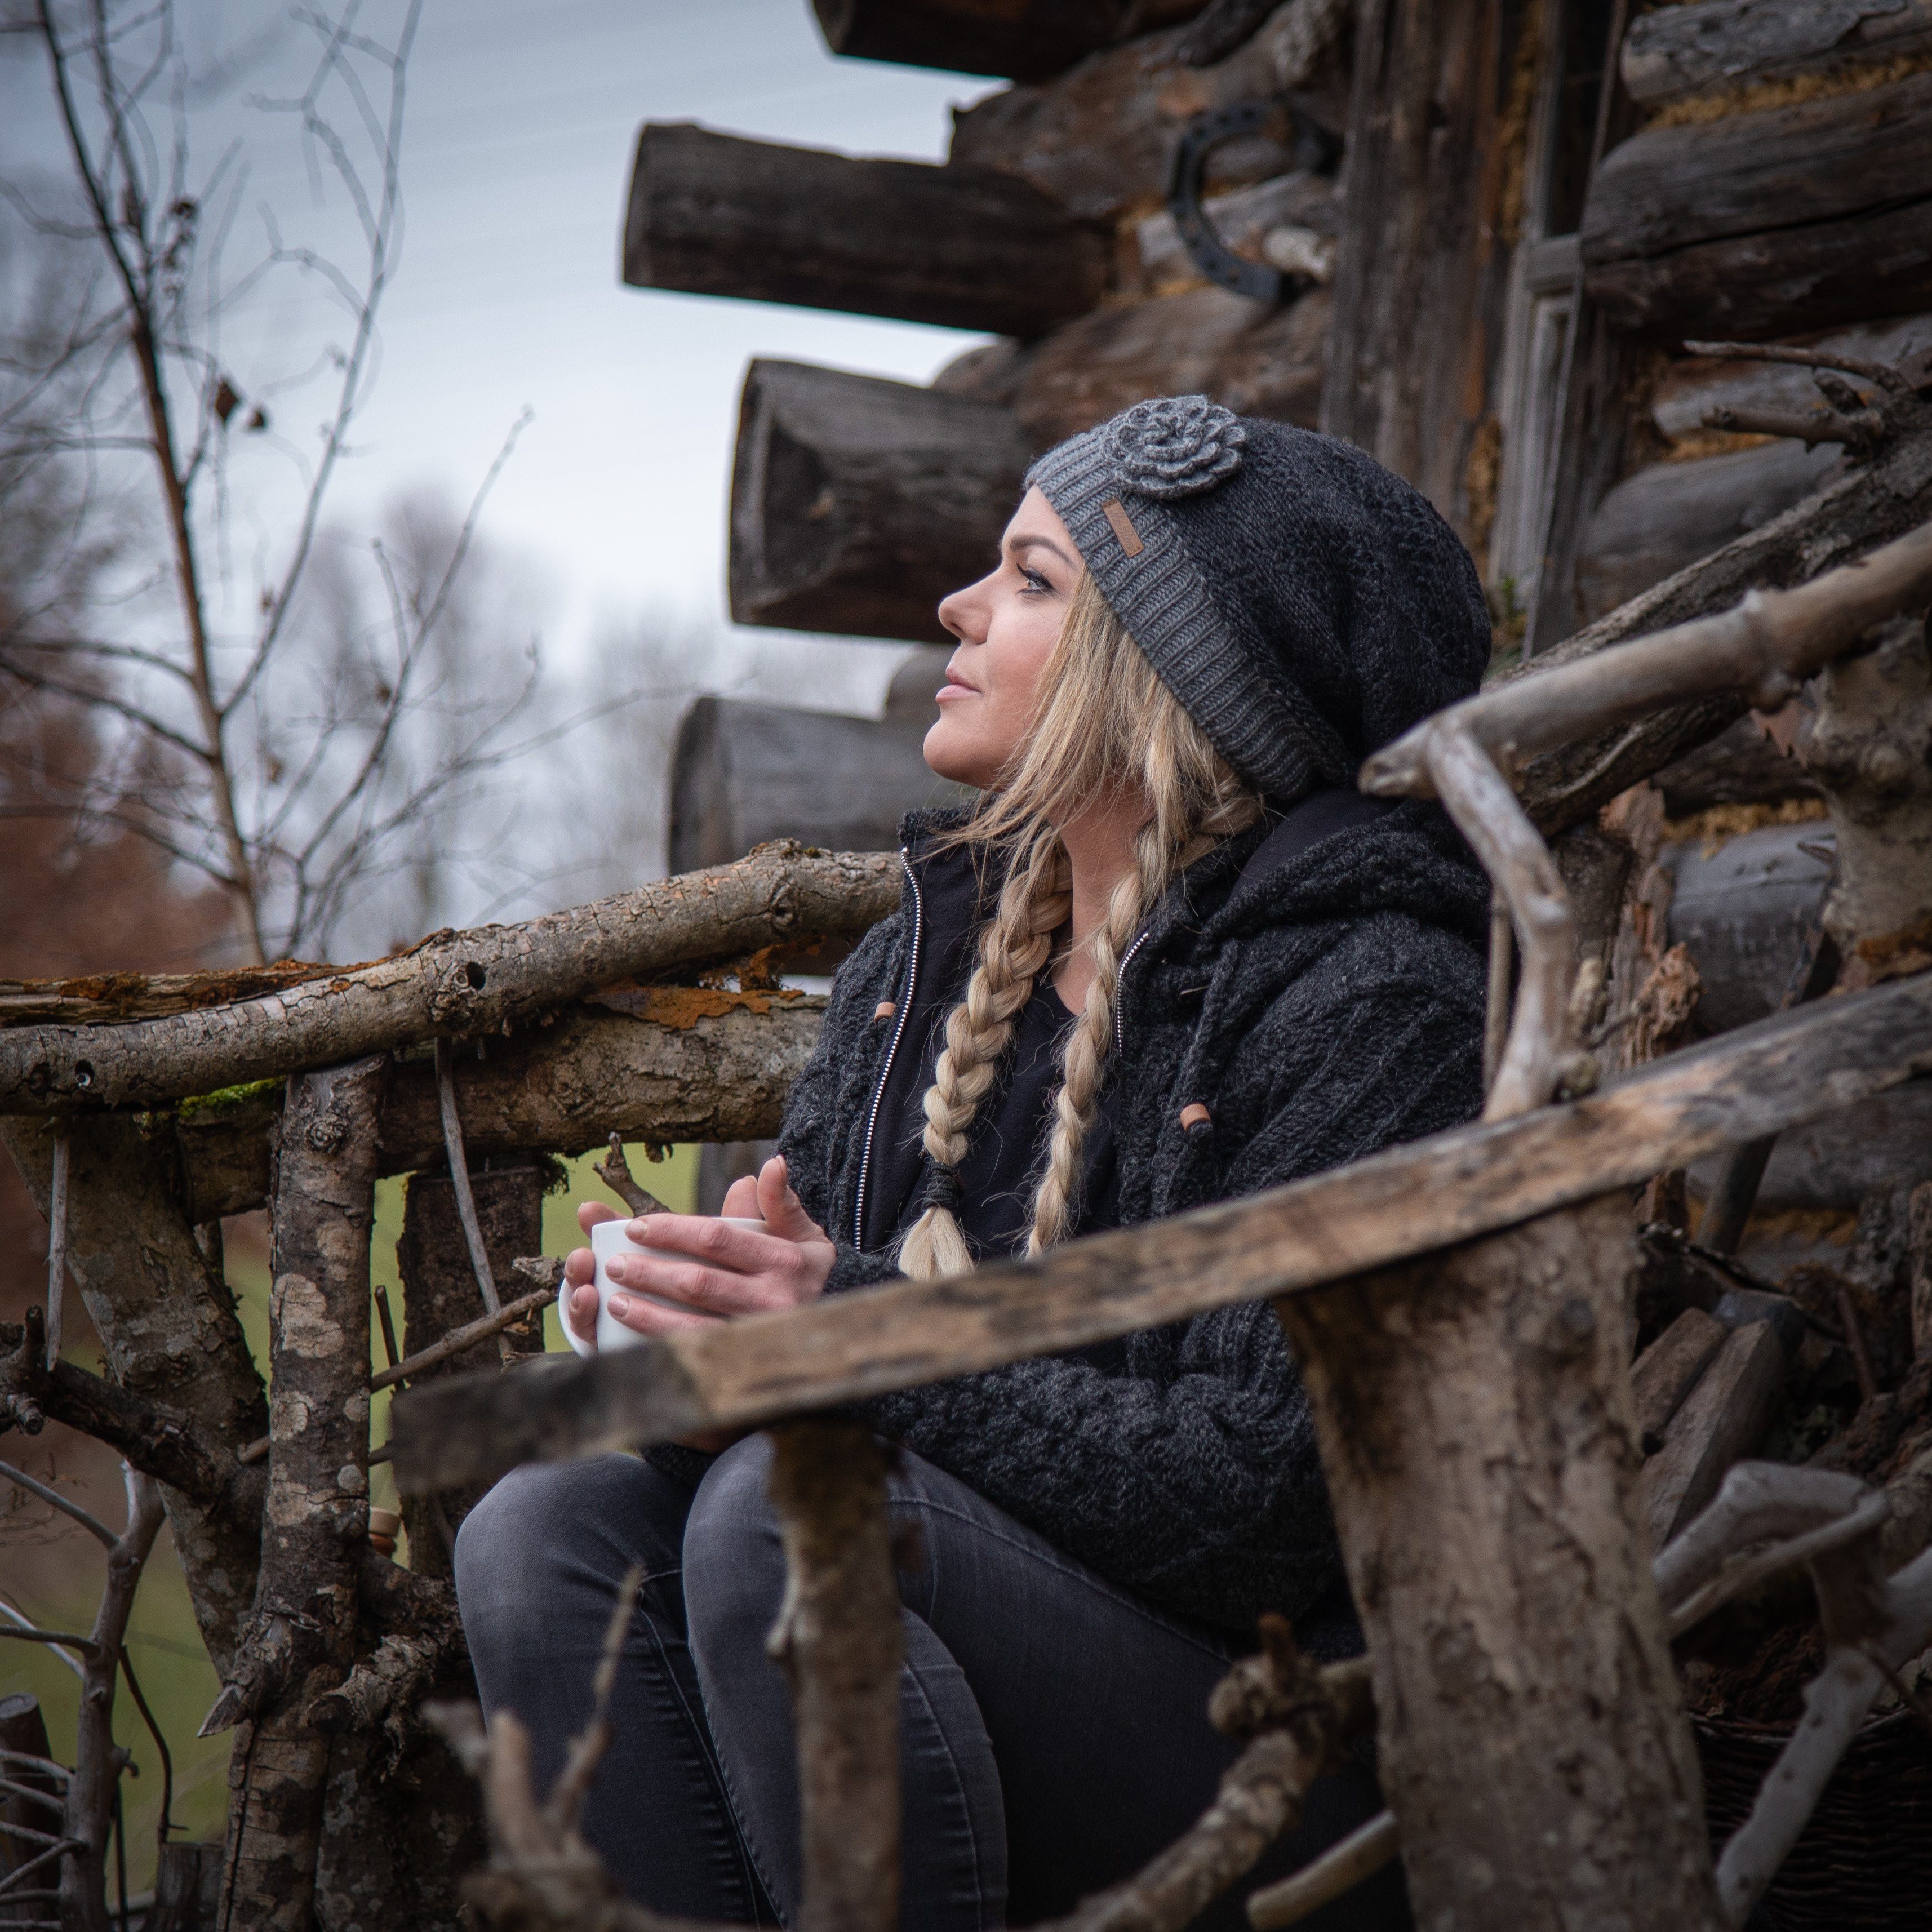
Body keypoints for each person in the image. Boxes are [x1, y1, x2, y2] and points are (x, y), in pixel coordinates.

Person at [454, 397, 1492, 1930]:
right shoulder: (924, 959)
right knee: (542, 1532)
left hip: (1282, 1752)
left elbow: (1270, 1510)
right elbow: (824, 1328)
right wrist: (692, 1327)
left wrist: (853, 1335)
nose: (956, 604)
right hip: (973, 1652)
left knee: (792, 1520)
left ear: (1173, 668)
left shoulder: (1365, 995)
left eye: (1030, 579)